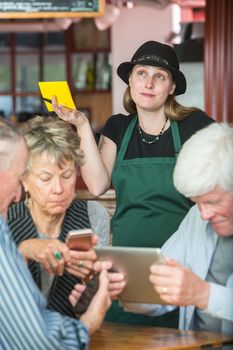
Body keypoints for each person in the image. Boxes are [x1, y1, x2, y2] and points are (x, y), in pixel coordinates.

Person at [52, 40, 214, 326]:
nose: (148, 83)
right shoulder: (118, 127)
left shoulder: (195, 125)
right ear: (130, 79)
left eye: (159, 76)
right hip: (125, 267)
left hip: (181, 263)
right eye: (141, 73)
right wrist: (80, 125)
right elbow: (98, 184)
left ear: (172, 87)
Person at [0, 118, 112, 350]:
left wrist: (94, 286)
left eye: (67, 175)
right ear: (24, 180)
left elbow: (99, 293)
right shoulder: (6, 220)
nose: (59, 188)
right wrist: (24, 251)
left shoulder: (94, 217)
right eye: (46, 178)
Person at [124, 122, 233, 335]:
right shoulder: (196, 218)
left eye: (212, 202)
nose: (204, 214)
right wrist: (126, 288)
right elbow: (158, 290)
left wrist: (203, 294)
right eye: (196, 202)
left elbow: (200, 294)